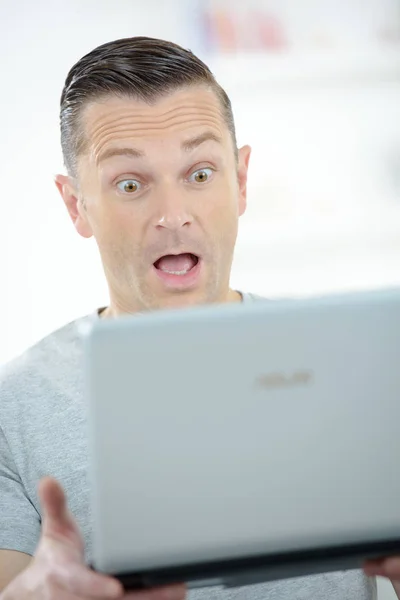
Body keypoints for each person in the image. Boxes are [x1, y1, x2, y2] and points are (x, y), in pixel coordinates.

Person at [0, 36, 398, 600]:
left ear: (240, 180)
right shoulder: (13, 407)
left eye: (200, 173)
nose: (172, 215)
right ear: (75, 204)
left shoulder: (357, 366)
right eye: (130, 183)